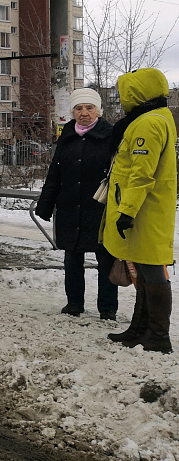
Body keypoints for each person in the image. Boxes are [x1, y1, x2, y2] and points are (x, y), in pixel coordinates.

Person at [102, 68, 176, 354]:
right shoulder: (158, 117)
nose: (122, 99)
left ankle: (158, 335)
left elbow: (141, 174)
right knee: (144, 271)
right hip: (146, 207)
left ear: (136, 92)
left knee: (153, 272)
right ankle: (140, 329)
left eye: (125, 93)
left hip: (144, 209)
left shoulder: (148, 123)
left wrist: (127, 210)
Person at [35, 88, 117, 319]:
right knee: (72, 258)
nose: (84, 113)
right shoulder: (67, 136)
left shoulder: (110, 136)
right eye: (79, 108)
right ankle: (74, 304)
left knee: (105, 260)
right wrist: (46, 204)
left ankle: (107, 308)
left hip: (100, 208)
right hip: (70, 207)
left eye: (89, 108)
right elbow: (55, 173)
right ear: (73, 111)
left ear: (98, 110)